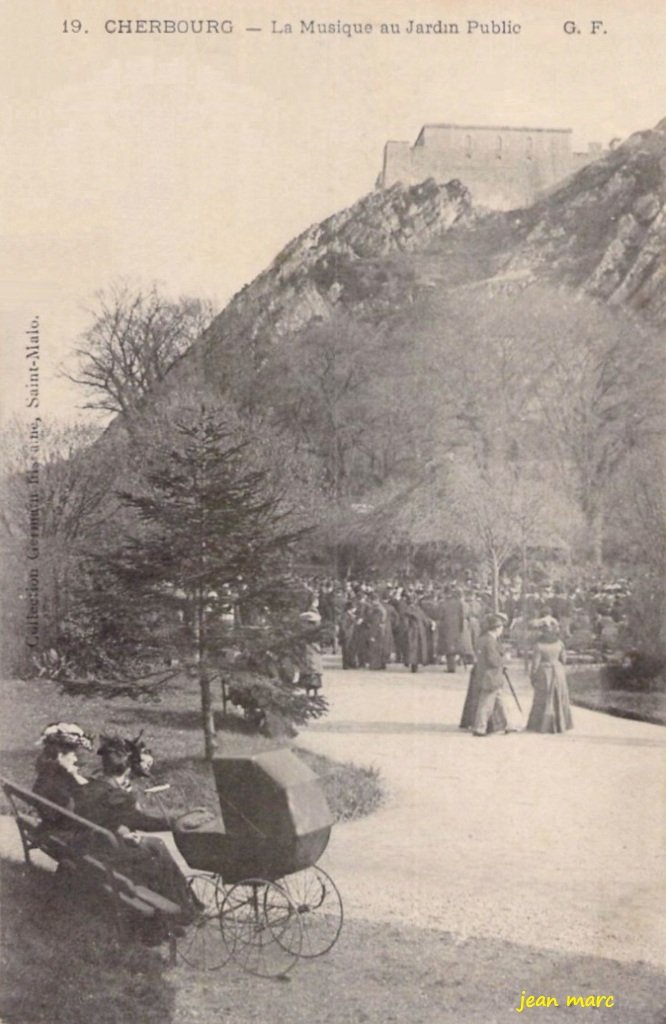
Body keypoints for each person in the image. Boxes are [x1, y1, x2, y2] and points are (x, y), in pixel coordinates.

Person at [76, 734, 201, 939]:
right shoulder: (115, 797)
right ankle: (181, 914)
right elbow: (144, 822)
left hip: (89, 849)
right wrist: (179, 820)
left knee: (154, 847)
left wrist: (122, 830)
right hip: (106, 857)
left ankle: (187, 908)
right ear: (126, 769)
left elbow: (106, 820)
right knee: (155, 856)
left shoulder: (90, 787)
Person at [32, 721, 93, 834]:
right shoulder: (58, 784)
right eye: (73, 755)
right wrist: (75, 775)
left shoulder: (47, 775)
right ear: (60, 756)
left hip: (53, 830)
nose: (76, 759)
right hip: (67, 834)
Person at [526, 624, 574, 733]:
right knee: (559, 696)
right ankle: (561, 724)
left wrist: (532, 676)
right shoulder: (559, 643)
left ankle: (542, 725)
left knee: (544, 698)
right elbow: (564, 659)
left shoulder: (538, 646)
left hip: (545, 671)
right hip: (558, 671)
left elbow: (535, 664)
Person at [472, 615, 512, 736]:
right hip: (491, 676)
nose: (502, 630)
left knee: (500, 702)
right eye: (501, 628)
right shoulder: (490, 641)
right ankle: (480, 728)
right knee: (486, 703)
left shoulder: (482, 639)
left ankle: (507, 724)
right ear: (496, 628)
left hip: (486, 675)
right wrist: (505, 659)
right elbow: (493, 661)